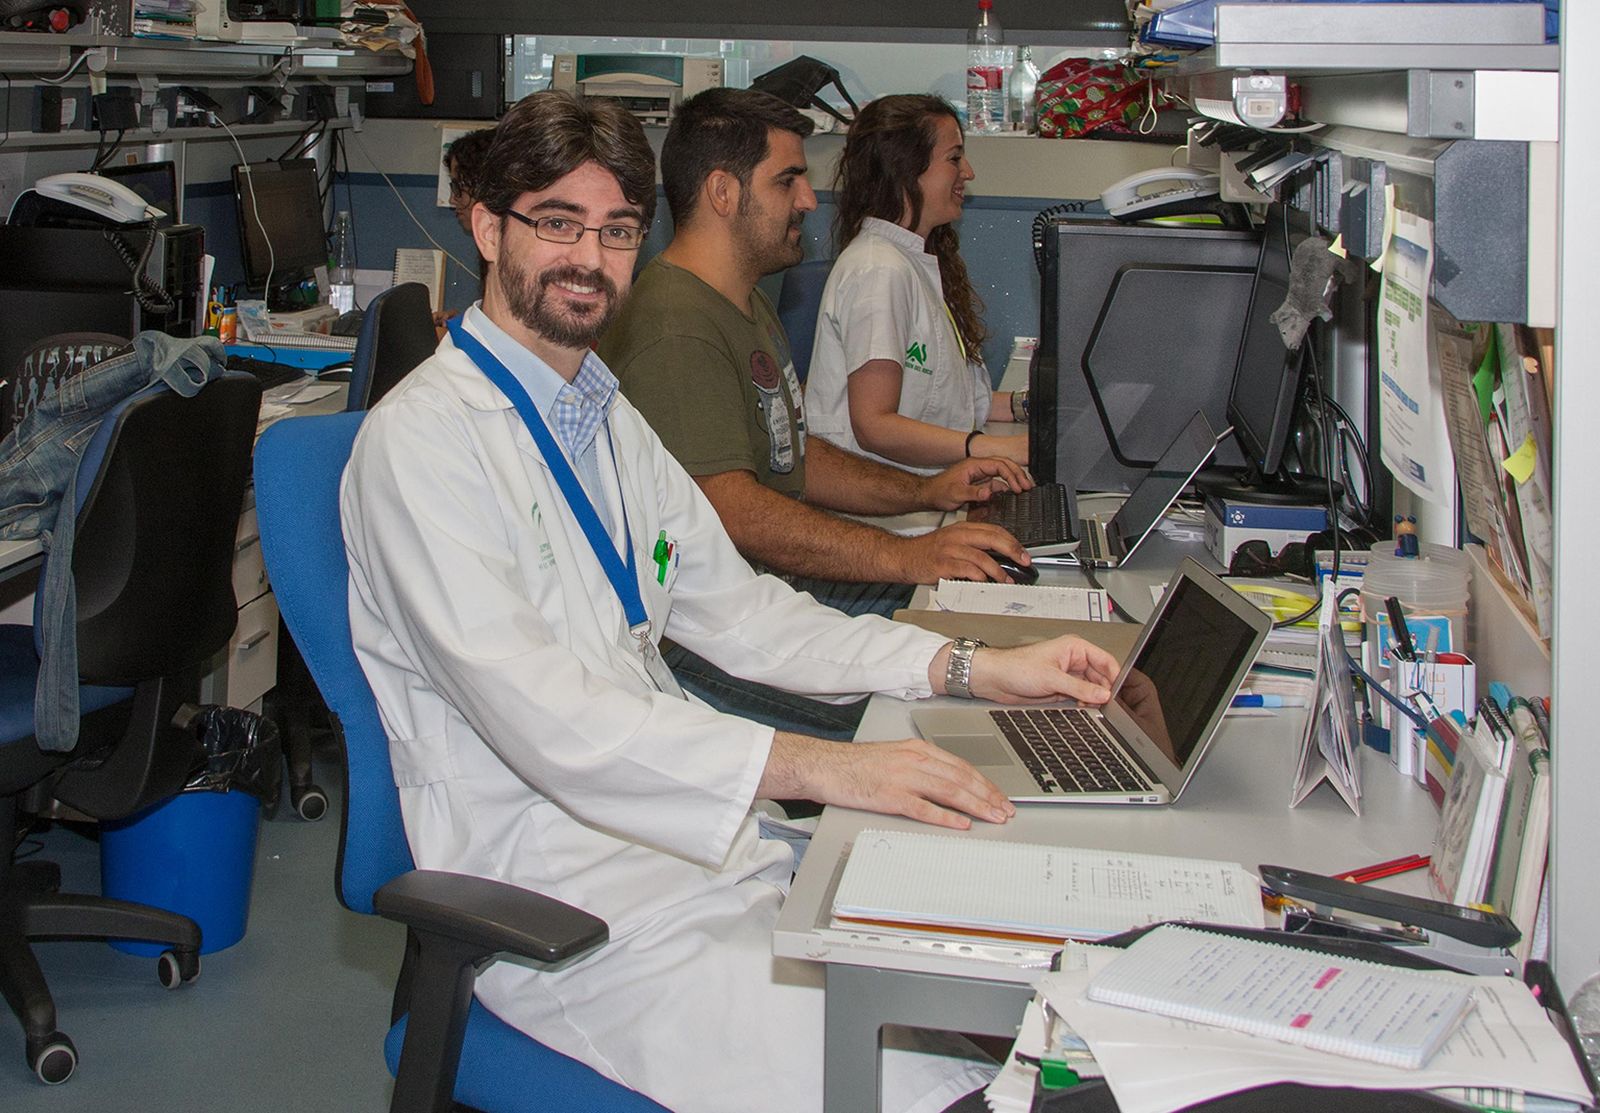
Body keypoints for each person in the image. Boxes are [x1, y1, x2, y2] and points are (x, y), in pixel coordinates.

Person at [340, 89, 1118, 1113]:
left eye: (618, 230)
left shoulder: (599, 415)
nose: (590, 259)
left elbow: (742, 613)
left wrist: (964, 665)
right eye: (557, 223)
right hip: (567, 905)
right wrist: (821, 764)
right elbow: (551, 722)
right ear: (487, 228)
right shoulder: (421, 446)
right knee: (912, 1087)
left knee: (1031, 998)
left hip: (699, 853)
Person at [598, 87, 1033, 738]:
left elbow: (795, 461)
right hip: (700, 643)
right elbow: (735, 511)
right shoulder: (677, 327)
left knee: (976, 636)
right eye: (788, 180)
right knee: (928, 717)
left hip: (770, 607)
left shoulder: (743, 301)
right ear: (723, 192)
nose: (808, 198)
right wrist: (906, 556)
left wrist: (926, 492)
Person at [806, 94, 1029, 472]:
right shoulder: (878, 270)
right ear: (906, 168)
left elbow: (944, 400)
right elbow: (874, 426)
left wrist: (1026, 406)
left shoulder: (907, 261)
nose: (968, 172)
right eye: (954, 158)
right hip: (883, 496)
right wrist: (997, 449)